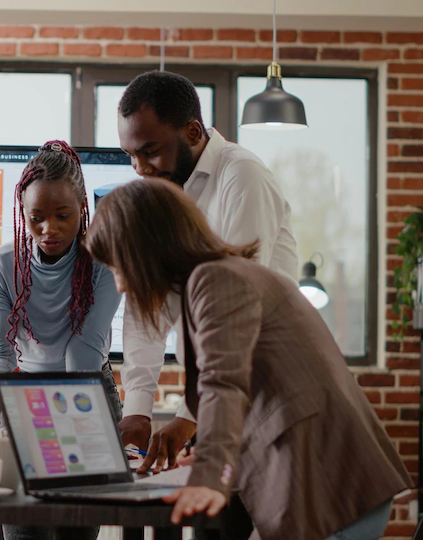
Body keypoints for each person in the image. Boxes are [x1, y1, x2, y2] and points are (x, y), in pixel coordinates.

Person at [86, 179, 411, 540]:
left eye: (118, 267)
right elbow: (262, 388)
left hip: (330, 486)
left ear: (145, 251)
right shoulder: (225, 273)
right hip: (333, 483)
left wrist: (211, 472)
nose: (119, 285)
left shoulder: (214, 280)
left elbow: (223, 384)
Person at [115, 70, 298, 471]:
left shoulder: (242, 176)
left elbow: (236, 311)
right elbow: (146, 308)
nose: (139, 168)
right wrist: (138, 409)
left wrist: (187, 418)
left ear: (194, 132)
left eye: (149, 151)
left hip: (270, 395)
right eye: (130, 154)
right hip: (216, 396)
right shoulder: (161, 192)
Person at [0, 141, 122, 540]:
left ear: (82, 207)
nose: (49, 229)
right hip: (24, 393)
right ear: (22, 214)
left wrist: (66, 426)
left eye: (63, 215)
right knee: (22, 528)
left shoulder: (104, 263)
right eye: (36, 217)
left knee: (74, 528)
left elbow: (84, 348)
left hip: (90, 389)